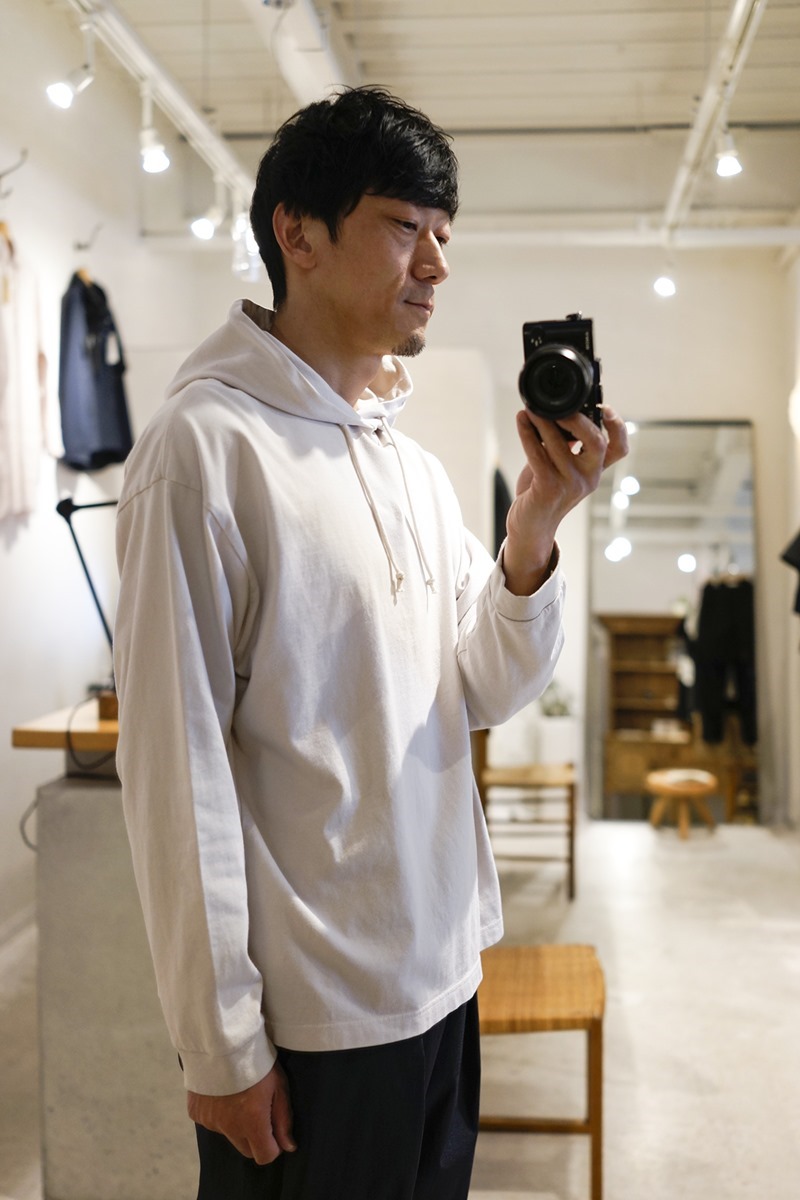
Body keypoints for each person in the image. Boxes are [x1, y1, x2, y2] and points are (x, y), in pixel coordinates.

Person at [114, 85, 627, 1200]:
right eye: (404, 227)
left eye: (443, 233)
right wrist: (221, 1045)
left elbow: (484, 688)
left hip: (441, 975)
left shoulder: (410, 463)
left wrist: (534, 528)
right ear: (297, 234)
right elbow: (175, 773)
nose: (435, 264)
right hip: (315, 1017)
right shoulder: (202, 451)